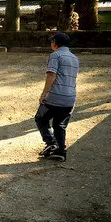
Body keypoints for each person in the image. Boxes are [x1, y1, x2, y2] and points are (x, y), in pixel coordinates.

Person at [35, 32, 79, 162]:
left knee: (41, 118)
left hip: (55, 96)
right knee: (60, 125)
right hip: (70, 97)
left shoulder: (55, 55)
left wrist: (44, 94)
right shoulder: (75, 58)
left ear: (55, 43)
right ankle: (60, 151)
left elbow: (51, 75)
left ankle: (51, 143)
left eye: (51, 42)